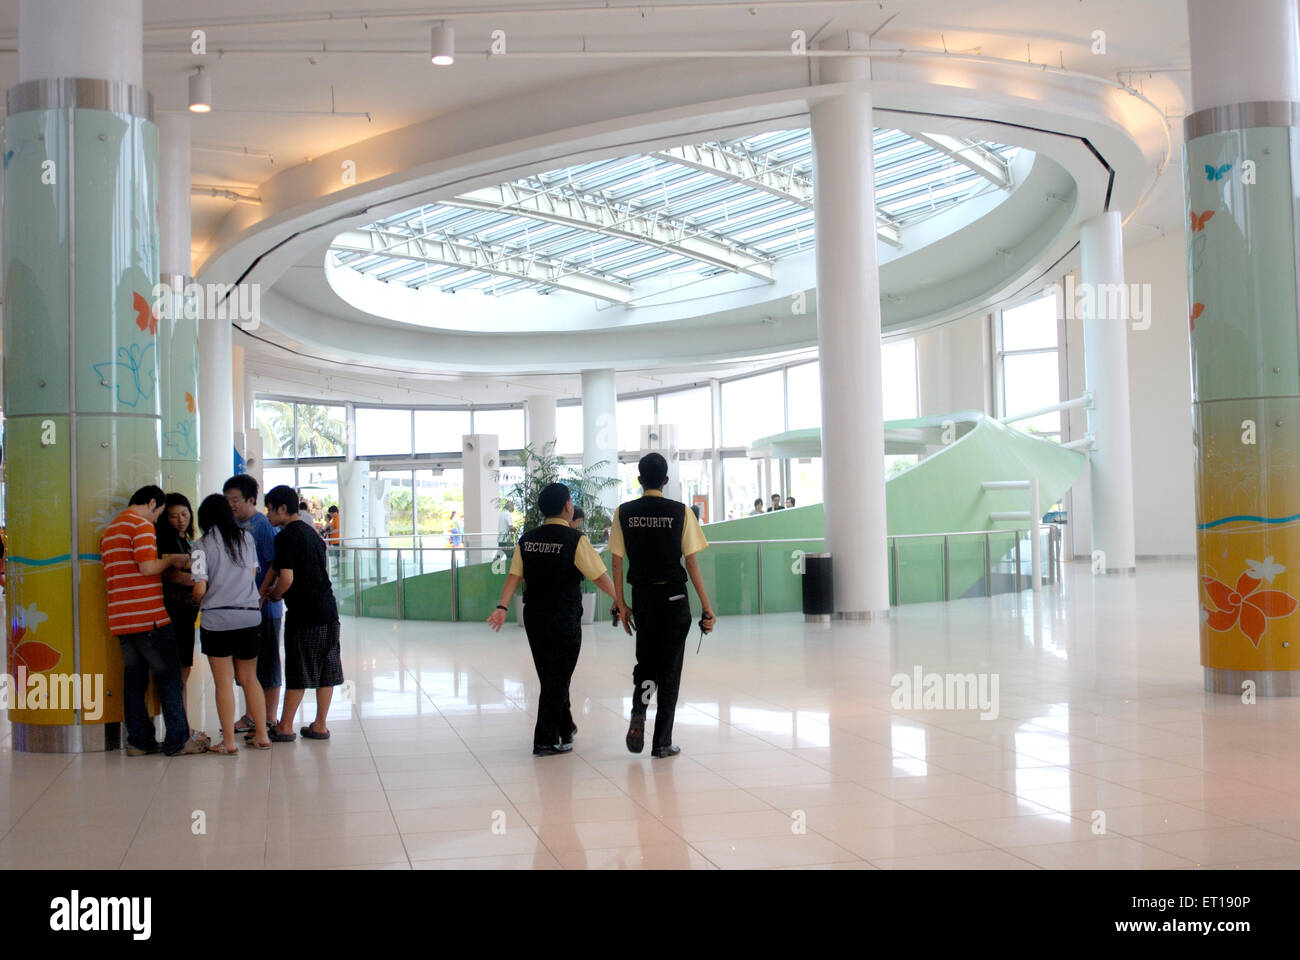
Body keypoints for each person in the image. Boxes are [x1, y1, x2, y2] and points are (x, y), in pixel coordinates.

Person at [487, 483, 620, 756]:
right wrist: (621, 600)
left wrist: (502, 606)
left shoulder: (528, 540)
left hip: (534, 615)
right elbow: (599, 576)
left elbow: (514, 575)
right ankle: (544, 740)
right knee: (556, 678)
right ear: (568, 506)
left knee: (552, 674)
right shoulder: (575, 540)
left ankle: (565, 725)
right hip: (564, 615)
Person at [608, 453, 715, 759]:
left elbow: (616, 561)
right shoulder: (681, 512)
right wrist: (707, 608)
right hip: (674, 599)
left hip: (643, 599)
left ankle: (639, 710)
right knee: (670, 670)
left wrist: (621, 603)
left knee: (647, 663)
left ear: (640, 480)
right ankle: (662, 742)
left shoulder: (624, 513)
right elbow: (691, 564)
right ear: (666, 481)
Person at [100, 485, 206, 757]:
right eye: (161, 513)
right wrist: (171, 559)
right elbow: (147, 568)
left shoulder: (110, 531)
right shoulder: (142, 526)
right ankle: (178, 741)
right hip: (149, 617)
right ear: (152, 503)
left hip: (121, 619)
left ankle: (138, 741)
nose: (158, 520)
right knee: (169, 678)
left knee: (135, 681)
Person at [191, 495, 273, 754]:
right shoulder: (245, 539)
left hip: (217, 619)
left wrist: (201, 594)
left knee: (224, 682)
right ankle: (261, 735)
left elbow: (199, 588)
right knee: (250, 678)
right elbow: (251, 574)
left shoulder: (199, 546)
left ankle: (228, 742)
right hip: (249, 616)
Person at [261, 485, 343, 742]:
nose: (268, 515)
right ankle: (320, 725)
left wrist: (274, 594)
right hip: (328, 611)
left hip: (305, 614)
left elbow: (286, 577)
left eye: (270, 509)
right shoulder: (313, 534)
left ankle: (284, 726)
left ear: (282, 509)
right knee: (326, 669)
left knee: (298, 669)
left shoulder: (284, 537)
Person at [223, 475, 283, 740]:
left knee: (267, 663)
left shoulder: (261, 526)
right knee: (248, 665)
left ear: (250, 499)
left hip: (264, 608)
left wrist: (261, 595)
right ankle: (251, 714)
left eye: (235, 500)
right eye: (228, 501)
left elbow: (273, 564)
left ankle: (269, 717)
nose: (231, 505)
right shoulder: (233, 526)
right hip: (242, 609)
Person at [155, 493, 207, 746]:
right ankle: (178, 729)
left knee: (183, 672)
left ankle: (182, 726)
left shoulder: (186, 541)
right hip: (172, 616)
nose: (180, 520)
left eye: (185, 514)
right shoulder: (165, 542)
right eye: (174, 516)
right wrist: (204, 581)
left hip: (187, 616)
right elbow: (173, 577)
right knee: (176, 675)